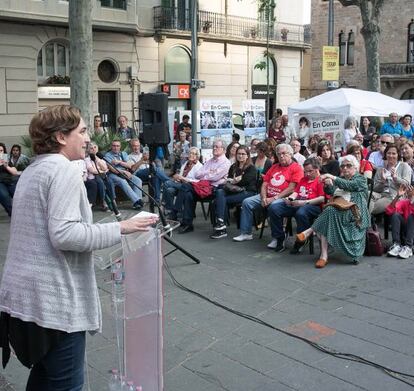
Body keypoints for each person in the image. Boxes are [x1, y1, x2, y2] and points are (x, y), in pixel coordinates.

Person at [0, 105, 158, 391]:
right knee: (65, 385)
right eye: (82, 131)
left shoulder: (34, 170)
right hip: (54, 302)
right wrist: (122, 228)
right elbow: (65, 234)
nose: (88, 139)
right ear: (61, 136)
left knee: (45, 378)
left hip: (25, 298)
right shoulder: (63, 171)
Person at [296, 155, 370, 268]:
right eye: (343, 166)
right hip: (339, 209)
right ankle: (323, 255)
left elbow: (351, 186)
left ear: (355, 167)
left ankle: (309, 232)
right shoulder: (342, 179)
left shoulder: (360, 179)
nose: (345, 168)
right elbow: (331, 192)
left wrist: (333, 177)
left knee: (329, 211)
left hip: (355, 212)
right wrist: (328, 184)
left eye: (348, 165)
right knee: (329, 212)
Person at [233, 143, 303, 245]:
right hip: (268, 195)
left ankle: (276, 237)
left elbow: (292, 188)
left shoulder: (296, 168)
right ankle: (246, 233)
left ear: (291, 154)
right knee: (247, 202)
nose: (281, 156)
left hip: (284, 197)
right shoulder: (274, 167)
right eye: (279, 154)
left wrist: (274, 198)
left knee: (274, 206)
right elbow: (264, 184)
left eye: (284, 153)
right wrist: (264, 197)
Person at [267, 157, 325, 253]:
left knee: (301, 212)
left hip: (313, 206)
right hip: (298, 203)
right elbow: (296, 192)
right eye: (305, 171)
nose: (307, 174)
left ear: (317, 169)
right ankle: (280, 238)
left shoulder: (321, 180)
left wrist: (304, 202)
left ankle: (301, 240)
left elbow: (322, 198)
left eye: (310, 171)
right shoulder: (303, 179)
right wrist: (290, 199)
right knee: (274, 208)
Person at [173, 139, 231, 234]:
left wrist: (207, 175)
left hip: (214, 189)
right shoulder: (209, 161)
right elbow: (197, 174)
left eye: (217, 147)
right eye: (213, 146)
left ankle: (175, 212)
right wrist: (210, 172)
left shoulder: (226, 162)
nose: (214, 148)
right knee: (188, 193)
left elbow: (215, 177)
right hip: (202, 187)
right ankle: (187, 224)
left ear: (224, 150)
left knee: (185, 187)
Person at [210, 145, 258, 239]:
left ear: (247, 155)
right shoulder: (233, 166)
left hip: (247, 192)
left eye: (243, 154)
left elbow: (245, 182)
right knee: (220, 192)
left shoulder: (251, 168)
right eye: (239, 154)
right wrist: (235, 180)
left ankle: (221, 227)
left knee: (218, 201)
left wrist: (235, 181)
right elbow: (230, 180)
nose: (240, 156)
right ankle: (221, 224)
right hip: (234, 191)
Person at [370, 143, 412, 215]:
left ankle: (366, 221)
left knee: (370, 207)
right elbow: (374, 188)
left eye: (394, 153)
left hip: (393, 196)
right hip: (379, 194)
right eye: (388, 153)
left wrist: (395, 178)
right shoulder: (380, 169)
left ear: (398, 155)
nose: (391, 155)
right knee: (366, 195)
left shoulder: (404, 166)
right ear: (385, 154)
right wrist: (382, 182)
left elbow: (407, 184)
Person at [163, 146, 203, 218]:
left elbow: (198, 181)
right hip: (180, 184)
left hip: (190, 186)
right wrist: (177, 177)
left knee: (167, 183)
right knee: (169, 190)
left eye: (194, 154)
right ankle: (172, 211)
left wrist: (184, 179)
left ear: (197, 156)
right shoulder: (186, 163)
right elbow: (181, 175)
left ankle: (167, 207)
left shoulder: (199, 166)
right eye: (190, 153)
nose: (191, 155)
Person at [105, 140, 144, 210]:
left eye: (117, 146)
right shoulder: (108, 155)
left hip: (125, 173)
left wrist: (119, 162)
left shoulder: (123, 154)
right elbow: (112, 169)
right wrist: (124, 172)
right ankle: (137, 201)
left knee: (138, 180)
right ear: (111, 147)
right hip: (113, 175)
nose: (115, 148)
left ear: (120, 147)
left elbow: (130, 166)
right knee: (122, 181)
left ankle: (138, 203)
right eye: (114, 146)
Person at [385, 184, 414, 259]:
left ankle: (409, 247)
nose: (410, 195)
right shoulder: (405, 202)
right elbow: (389, 211)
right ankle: (396, 245)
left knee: (411, 217)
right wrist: (398, 196)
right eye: (409, 193)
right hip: (405, 232)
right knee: (395, 215)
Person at [0, 143, 18, 216]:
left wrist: (6, 166)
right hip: (0, 182)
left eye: (1, 150)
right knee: (4, 196)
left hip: (10, 181)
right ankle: (13, 215)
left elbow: (15, 172)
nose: (0, 152)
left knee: (18, 195)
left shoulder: (6, 159)